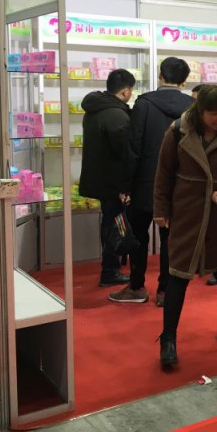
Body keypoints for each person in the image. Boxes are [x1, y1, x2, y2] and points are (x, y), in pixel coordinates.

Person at [153, 85, 217, 366]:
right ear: (200, 111)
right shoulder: (178, 131)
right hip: (187, 210)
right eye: (213, 113)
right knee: (178, 274)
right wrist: (161, 210)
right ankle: (168, 338)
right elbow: (163, 173)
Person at [110, 58, 194, 305]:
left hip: (145, 183)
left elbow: (133, 147)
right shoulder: (192, 107)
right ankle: (165, 291)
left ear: (160, 75)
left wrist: (125, 186)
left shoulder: (144, 103)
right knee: (171, 238)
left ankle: (137, 286)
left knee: (138, 235)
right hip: (179, 184)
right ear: (184, 81)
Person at [79, 69, 136, 288]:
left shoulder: (95, 109)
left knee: (110, 222)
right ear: (125, 91)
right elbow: (124, 153)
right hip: (113, 181)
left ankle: (111, 268)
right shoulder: (116, 115)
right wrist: (126, 185)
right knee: (115, 224)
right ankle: (110, 271)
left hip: (100, 178)